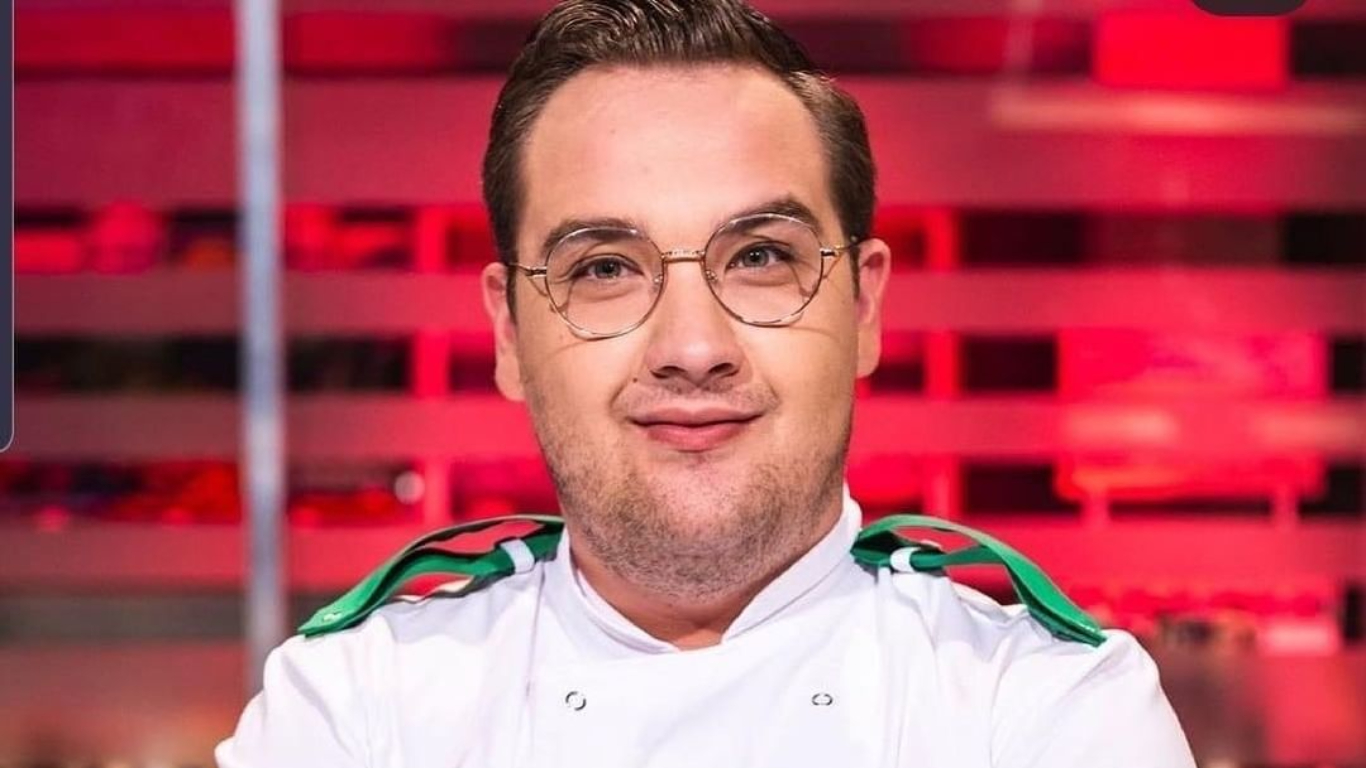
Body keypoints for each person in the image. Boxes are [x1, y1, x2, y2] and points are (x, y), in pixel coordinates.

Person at [216, 1, 1197, 765]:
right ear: (509, 331)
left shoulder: (1044, 709)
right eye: (604, 267)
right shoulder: (357, 707)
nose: (692, 347)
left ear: (863, 307)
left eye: (761, 257)